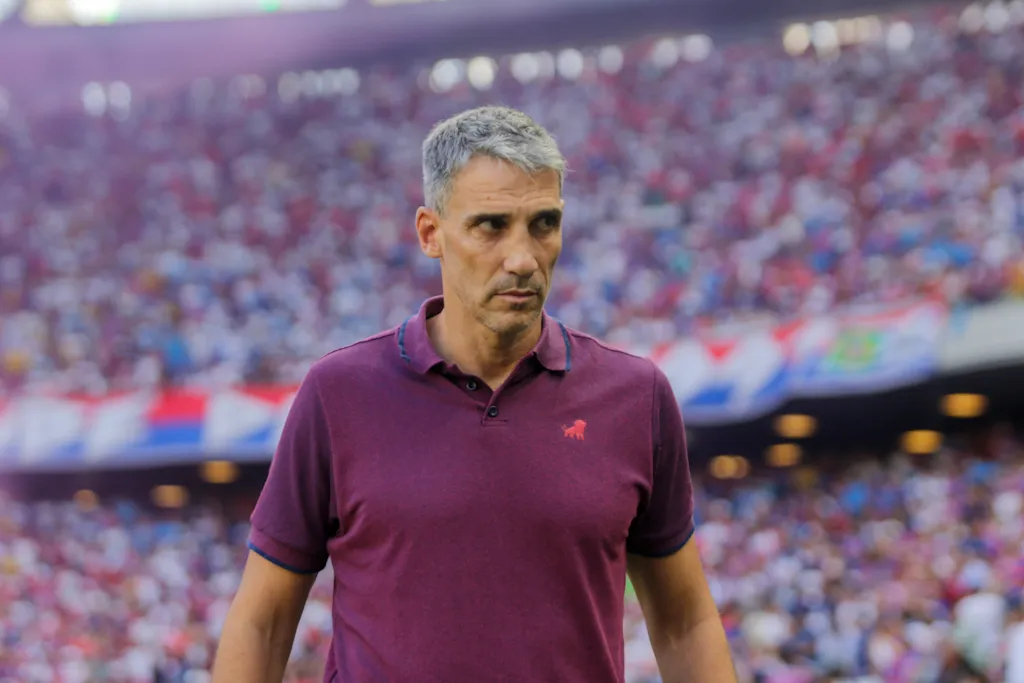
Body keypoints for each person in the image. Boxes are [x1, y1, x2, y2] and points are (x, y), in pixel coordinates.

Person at [211, 105, 737, 683]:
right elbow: (261, 623)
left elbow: (685, 620)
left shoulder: (635, 396)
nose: (523, 258)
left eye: (544, 224)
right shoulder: (339, 393)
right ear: (430, 234)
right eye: (490, 225)